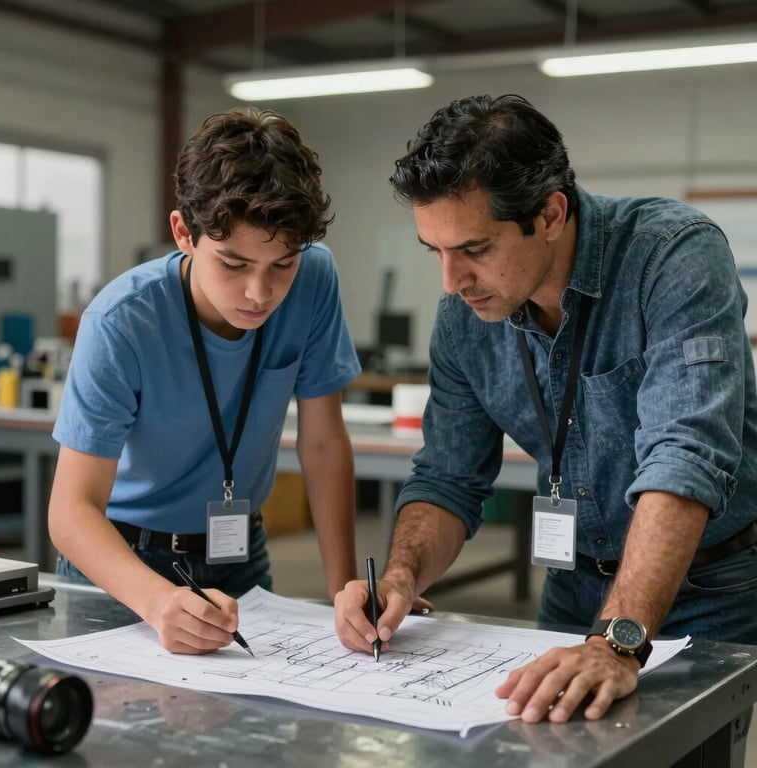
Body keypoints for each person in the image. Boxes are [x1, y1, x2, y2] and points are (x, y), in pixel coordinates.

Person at [334, 94, 757, 724]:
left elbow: (685, 454)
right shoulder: (465, 318)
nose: (452, 283)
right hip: (573, 584)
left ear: (551, 214)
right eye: (436, 252)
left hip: (710, 588)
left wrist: (618, 640)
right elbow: (447, 477)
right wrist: (401, 576)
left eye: (475, 248)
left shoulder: (672, 256)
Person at [49, 106, 361, 654]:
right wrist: (156, 601)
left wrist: (344, 592)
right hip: (124, 558)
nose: (259, 293)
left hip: (238, 547)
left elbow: (322, 440)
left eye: (281, 265)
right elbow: (71, 511)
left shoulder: (315, 276)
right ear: (183, 234)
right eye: (234, 265)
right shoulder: (121, 321)